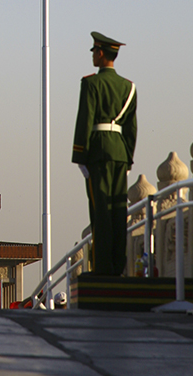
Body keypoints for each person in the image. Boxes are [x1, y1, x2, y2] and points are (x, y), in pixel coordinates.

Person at [71, 32, 138, 276]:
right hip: (120, 152)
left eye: (94, 51)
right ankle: (118, 265)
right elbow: (131, 128)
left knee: (100, 210)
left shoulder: (91, 84)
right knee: (118, 210)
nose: (92, 56)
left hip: (98, 152)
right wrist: (128, 158)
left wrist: (80, 155)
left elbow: (85, 120)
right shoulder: (128, 87)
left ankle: (102, 268)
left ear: (100, 53)